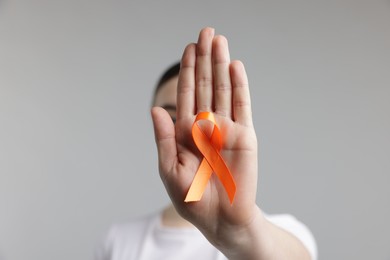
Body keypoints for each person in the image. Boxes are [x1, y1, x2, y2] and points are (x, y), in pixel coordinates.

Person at [95, 27, 317, 260]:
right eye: (172, 117)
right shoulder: (117, 240)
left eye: (204, 116)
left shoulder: (282, 233)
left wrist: (239, 232)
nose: (189, 131)